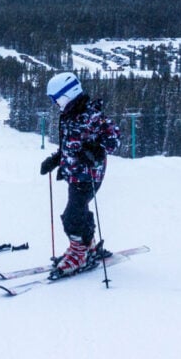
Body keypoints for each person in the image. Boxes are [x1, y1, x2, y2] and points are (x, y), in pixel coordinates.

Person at [40, 72, 121, 275]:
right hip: (74, 173)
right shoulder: (68, 116)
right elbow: (70, 145)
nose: (55, 103)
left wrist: (95, 150)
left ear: (68, 95)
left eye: (56, 99)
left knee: (72, 215)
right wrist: (56, 159)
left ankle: (79, 253)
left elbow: (113, 139)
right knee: (80, 210)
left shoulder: (92, 115)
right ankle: (88, 246)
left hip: (89, 175)